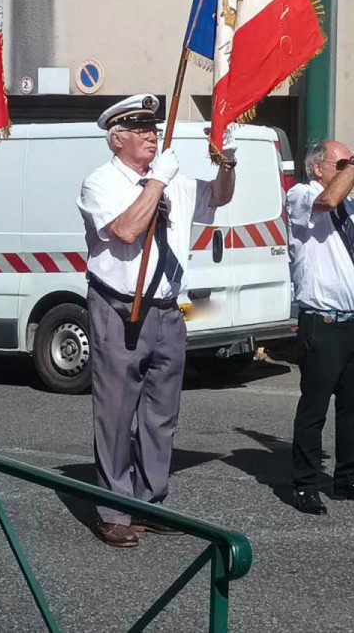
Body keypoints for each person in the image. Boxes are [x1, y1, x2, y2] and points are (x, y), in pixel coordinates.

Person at [76, 94, 235, 547]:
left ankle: (149, 501)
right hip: (120, 306)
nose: (151, 135)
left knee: (161, 414)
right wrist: (157, 183)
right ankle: (113, 509)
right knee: (115, 413)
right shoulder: (101, 182)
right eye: (140, 129)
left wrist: (228, 163)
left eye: (153, 128)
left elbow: (217, 198)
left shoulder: (173, 180)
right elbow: (126, 231)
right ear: (117, 138)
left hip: (167, 308)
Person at [287, 129, 354, 515]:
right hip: (323, 322)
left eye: (352, 162)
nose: (351, 169)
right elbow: (329, 199)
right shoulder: (302, 197)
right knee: (314, 407)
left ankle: (348, 476)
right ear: (318, 168)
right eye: (342, 163)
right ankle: (304, 483)